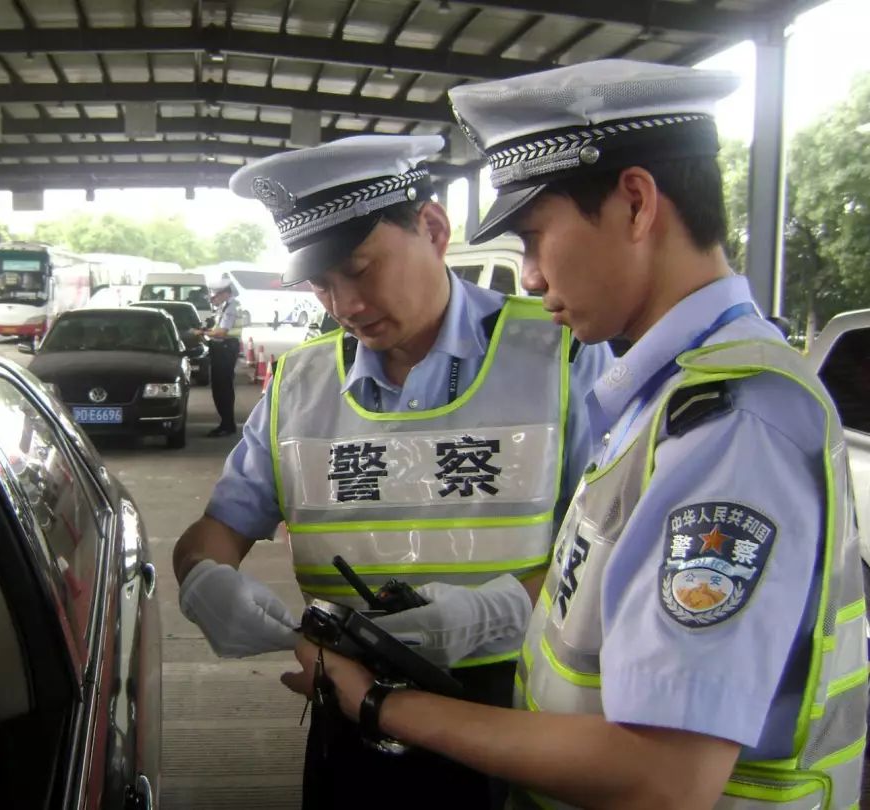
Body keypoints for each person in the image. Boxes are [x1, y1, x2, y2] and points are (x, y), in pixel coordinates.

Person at [282, 61, 868, 809]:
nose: (525, 276)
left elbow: (662, 778)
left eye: (533, 236)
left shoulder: (729, 424)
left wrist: (377, 704)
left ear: (634, 203)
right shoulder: (663, 400)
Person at [173, 134, 611, 810]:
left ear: (433, 229)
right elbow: (215, 532)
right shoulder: (301, 385)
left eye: (360, 268)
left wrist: (494, 612)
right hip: (348, 718)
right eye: (322, 284)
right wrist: (204, 579)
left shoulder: (563, 357)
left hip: (518, 715)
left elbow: (615, 557)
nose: (344, 304)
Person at [196, 276, 242, 437]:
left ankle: (227, 425)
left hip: (226, 349)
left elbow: (222, 332)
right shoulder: (225, 306)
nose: (212, 299)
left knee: (223, 389)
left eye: (215, 296)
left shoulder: (231, 307)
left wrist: (202, 333)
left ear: (225, 294)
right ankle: (225, 423)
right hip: (222, 349)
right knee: (220, 388)